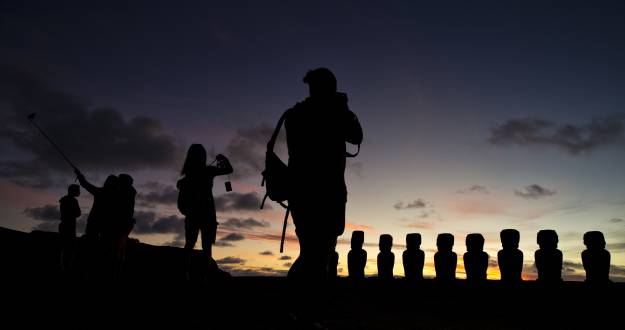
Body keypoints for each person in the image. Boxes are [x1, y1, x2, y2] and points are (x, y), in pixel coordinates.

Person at [284, 68, 363, 281]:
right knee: (319, 253)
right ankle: (303, 305)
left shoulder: (295, 113)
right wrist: (343, 109)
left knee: (312, 251)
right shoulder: (332, 112)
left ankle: (302, 305)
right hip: (328, 192)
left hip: (302, 192)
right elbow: (356, 136)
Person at [177, 145, 233, 279]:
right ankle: (206, 275)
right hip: (207, 215)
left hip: (192, 215)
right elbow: (229, 169)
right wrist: (224, 159)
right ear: (203, 157)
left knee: (189, 245)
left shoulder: (186, 178)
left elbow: (181, 204)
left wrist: (189, 211)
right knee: (207, 247)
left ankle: (185, 274)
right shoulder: (208, 171)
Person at [59, 184, 81, 272]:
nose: (79, 193)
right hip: (69, 227)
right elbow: (78, 213)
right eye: (78, 191)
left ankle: (65, 267)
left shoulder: (64, 200)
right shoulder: (73, 200)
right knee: (69, 249)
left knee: (66, 249)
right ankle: (67, 268)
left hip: (65, 226)